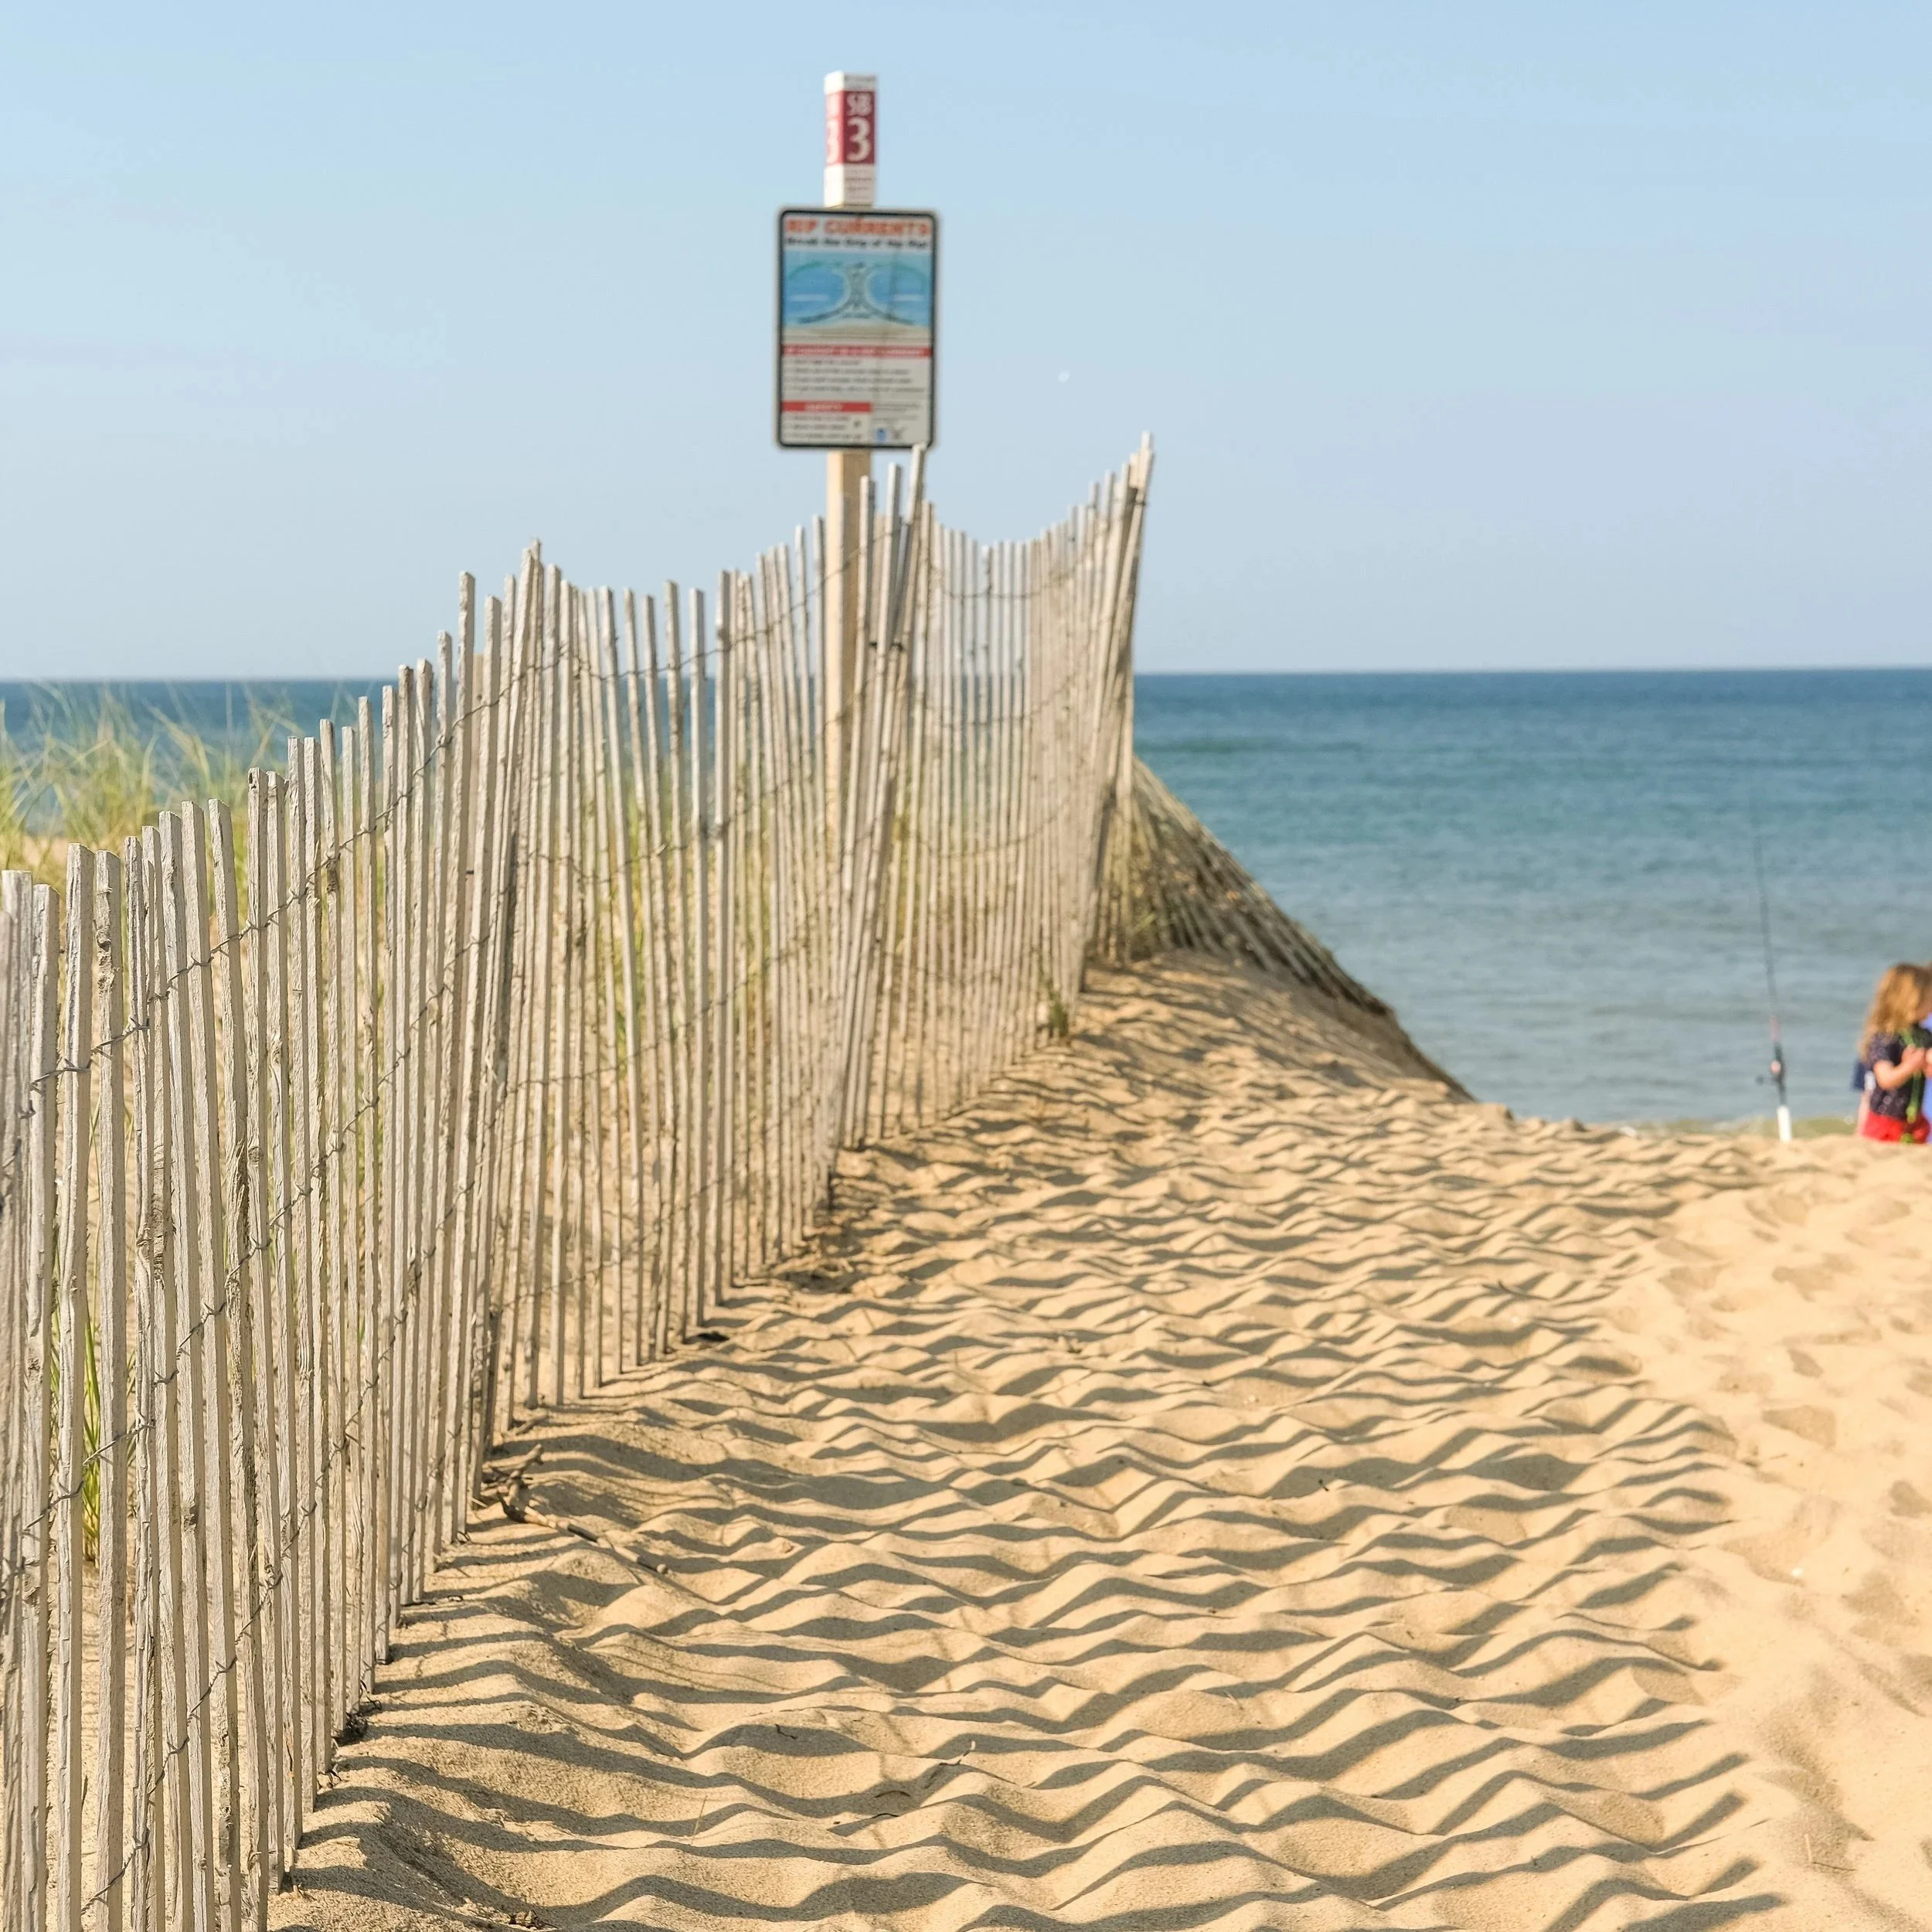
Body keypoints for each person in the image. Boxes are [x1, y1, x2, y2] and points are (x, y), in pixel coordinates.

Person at [1856, 962, 1932, 1144]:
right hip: (1885, 1122)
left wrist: (1926, 1063)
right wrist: (1909, 1066)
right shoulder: (1885, 1037)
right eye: (1928, 999)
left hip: (1913, 1119)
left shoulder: (1923, 1035)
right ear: (1910, 1002)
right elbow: (1886, 1079)